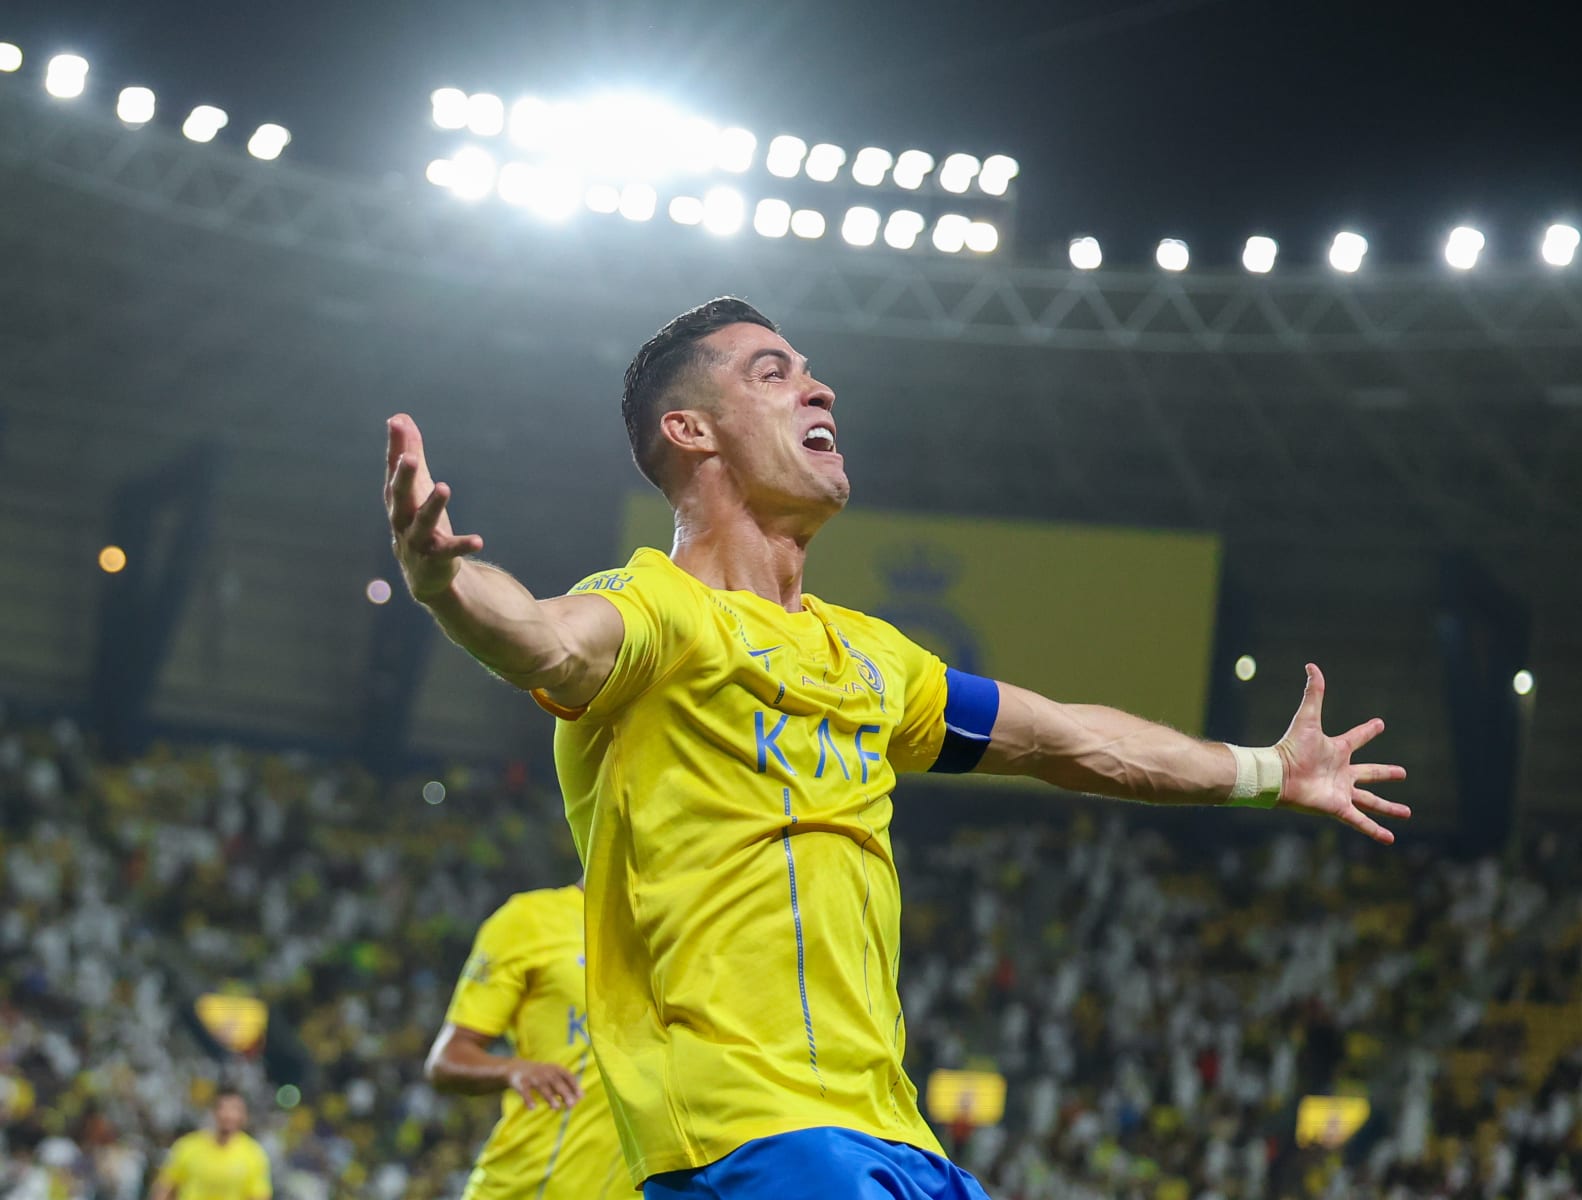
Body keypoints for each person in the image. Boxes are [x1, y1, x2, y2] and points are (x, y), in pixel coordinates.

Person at [383, 297, 1409, 1199]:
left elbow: (1068, 740)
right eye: (771, 372)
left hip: (890, 1131)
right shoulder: (658, 611)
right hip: (748, 1131)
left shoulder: (872, 659)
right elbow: (547, 637)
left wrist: (1270, 772)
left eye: (809, 369)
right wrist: (442, 584)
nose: (817, 386)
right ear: (690, 430)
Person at [425, 878, 630, 1199]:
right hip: (529, 1186)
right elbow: (446, 1060)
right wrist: (513, 1069)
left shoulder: (666, 932)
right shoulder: (531, 919)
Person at [147, 1089, 271, 1200]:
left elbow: (259, 1195)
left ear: (244, 1116)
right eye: (222, 1108)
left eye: (234, 1109)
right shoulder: (187, 1146)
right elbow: (164, 1188)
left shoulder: (253, 1154)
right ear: (213, 1112)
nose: (227, 1115)